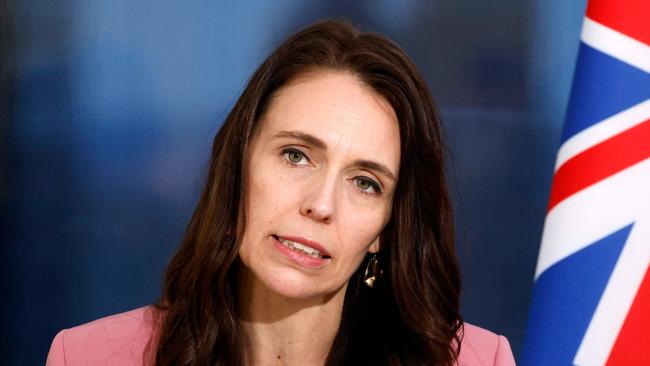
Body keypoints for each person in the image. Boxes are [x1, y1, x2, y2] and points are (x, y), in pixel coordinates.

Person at [46, 20, 515, 366]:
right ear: (239, 165)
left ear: (385, 232)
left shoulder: (477, 360)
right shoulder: (87, 356)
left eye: (365, 183)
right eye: (296, 155)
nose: (321, 205)